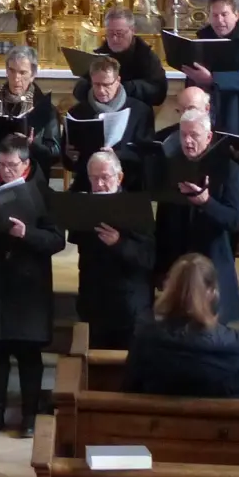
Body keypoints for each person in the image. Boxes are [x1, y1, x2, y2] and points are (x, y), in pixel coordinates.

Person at [0, 135, 65, 437]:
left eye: (11, 165)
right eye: (0, 165)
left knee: (28, 356)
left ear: (25, 163)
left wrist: (27, 235)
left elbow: (56, 240)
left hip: (28, 287)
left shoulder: (44, 193)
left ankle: (29, 416)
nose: (5, 171)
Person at [124, 253, 239, 399]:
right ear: (212, 292)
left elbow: (129, 392)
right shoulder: (236, 347)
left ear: (168, 288)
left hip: (159, 421)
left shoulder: (146, 340)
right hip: (221, 422)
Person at [154, 110, 239, 324]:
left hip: (213, 266)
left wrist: (206, 202)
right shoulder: (171, 164)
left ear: (209, 137)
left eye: (194, 135)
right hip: (179, 266)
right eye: (183, 135)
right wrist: (160, 269)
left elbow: (233, 220)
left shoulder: (227, 167)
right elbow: (164, 221)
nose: (187, 141)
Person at [69, 150, 154, 350]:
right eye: (93, 178)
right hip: (93, 304)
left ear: (120, 177)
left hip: (128, 308)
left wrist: (119, 243)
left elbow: (148, 258)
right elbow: (76, 239)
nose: (98, 185)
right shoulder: (85, 204)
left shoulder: (136, 207)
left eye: (105, 178)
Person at [181, 0, 239, 136]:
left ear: (236, 15)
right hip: (206, 111)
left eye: (224, 14)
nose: (219, 20)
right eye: (215, 15)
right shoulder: (202, 39)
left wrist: (212, 78)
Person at [64, 56, 154, 188]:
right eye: (96, 84)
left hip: (128, 185)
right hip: (88, 184)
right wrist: (70, 156)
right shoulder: (78, 112)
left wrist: (117, 156)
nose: (101, 90)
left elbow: (147, 155)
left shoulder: (140, 111)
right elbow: (70, 163)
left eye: (106, 85)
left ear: (117, 81)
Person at [0, 47, 62, 182]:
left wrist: (32, 145)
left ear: (33, 75)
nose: (16, 78)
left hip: (32, 179)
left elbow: (55, 153)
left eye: (22, 72)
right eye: (11, 71)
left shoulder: (45, 109)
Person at [70, 7, 169, 109]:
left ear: (132, 31)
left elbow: (159, 93)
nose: (114, 39)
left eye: (120, 34)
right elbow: (79, 92)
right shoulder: (98, 56)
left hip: (135, 114)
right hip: (98, 112)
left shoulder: (146, 56)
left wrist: (124, 87)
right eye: (110, 33)